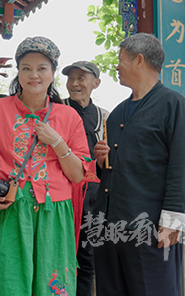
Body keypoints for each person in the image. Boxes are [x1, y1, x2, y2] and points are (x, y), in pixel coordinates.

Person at [0, 37, 90, 296]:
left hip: (54, 212)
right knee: (7, 285)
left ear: (53, 73)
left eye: (42, 68)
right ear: (18, 73)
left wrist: (56, 141)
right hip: (9, 209)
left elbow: (78, 175)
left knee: (53, 286)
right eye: (26, 68)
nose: (34, 75)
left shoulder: (69, 116)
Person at [92, 33, 185, 296]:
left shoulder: (173, 105)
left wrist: (172, 222)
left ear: (139, 60)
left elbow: (181, 166)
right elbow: (114, 170)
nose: (116, 66)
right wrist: (102, 163)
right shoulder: (115, 115)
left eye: (120, 59)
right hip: (110, 228)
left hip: (150, 230)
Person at [61, 61, 109, 296]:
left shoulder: (105, 117)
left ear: (96, 83)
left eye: (81, 78)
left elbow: (110, 166)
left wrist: (103, 161)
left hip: (93, 195)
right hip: (61, 191)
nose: (74, 83)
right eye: (71, 78)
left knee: (87, 256)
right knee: (59, 253)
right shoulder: (56, 109)